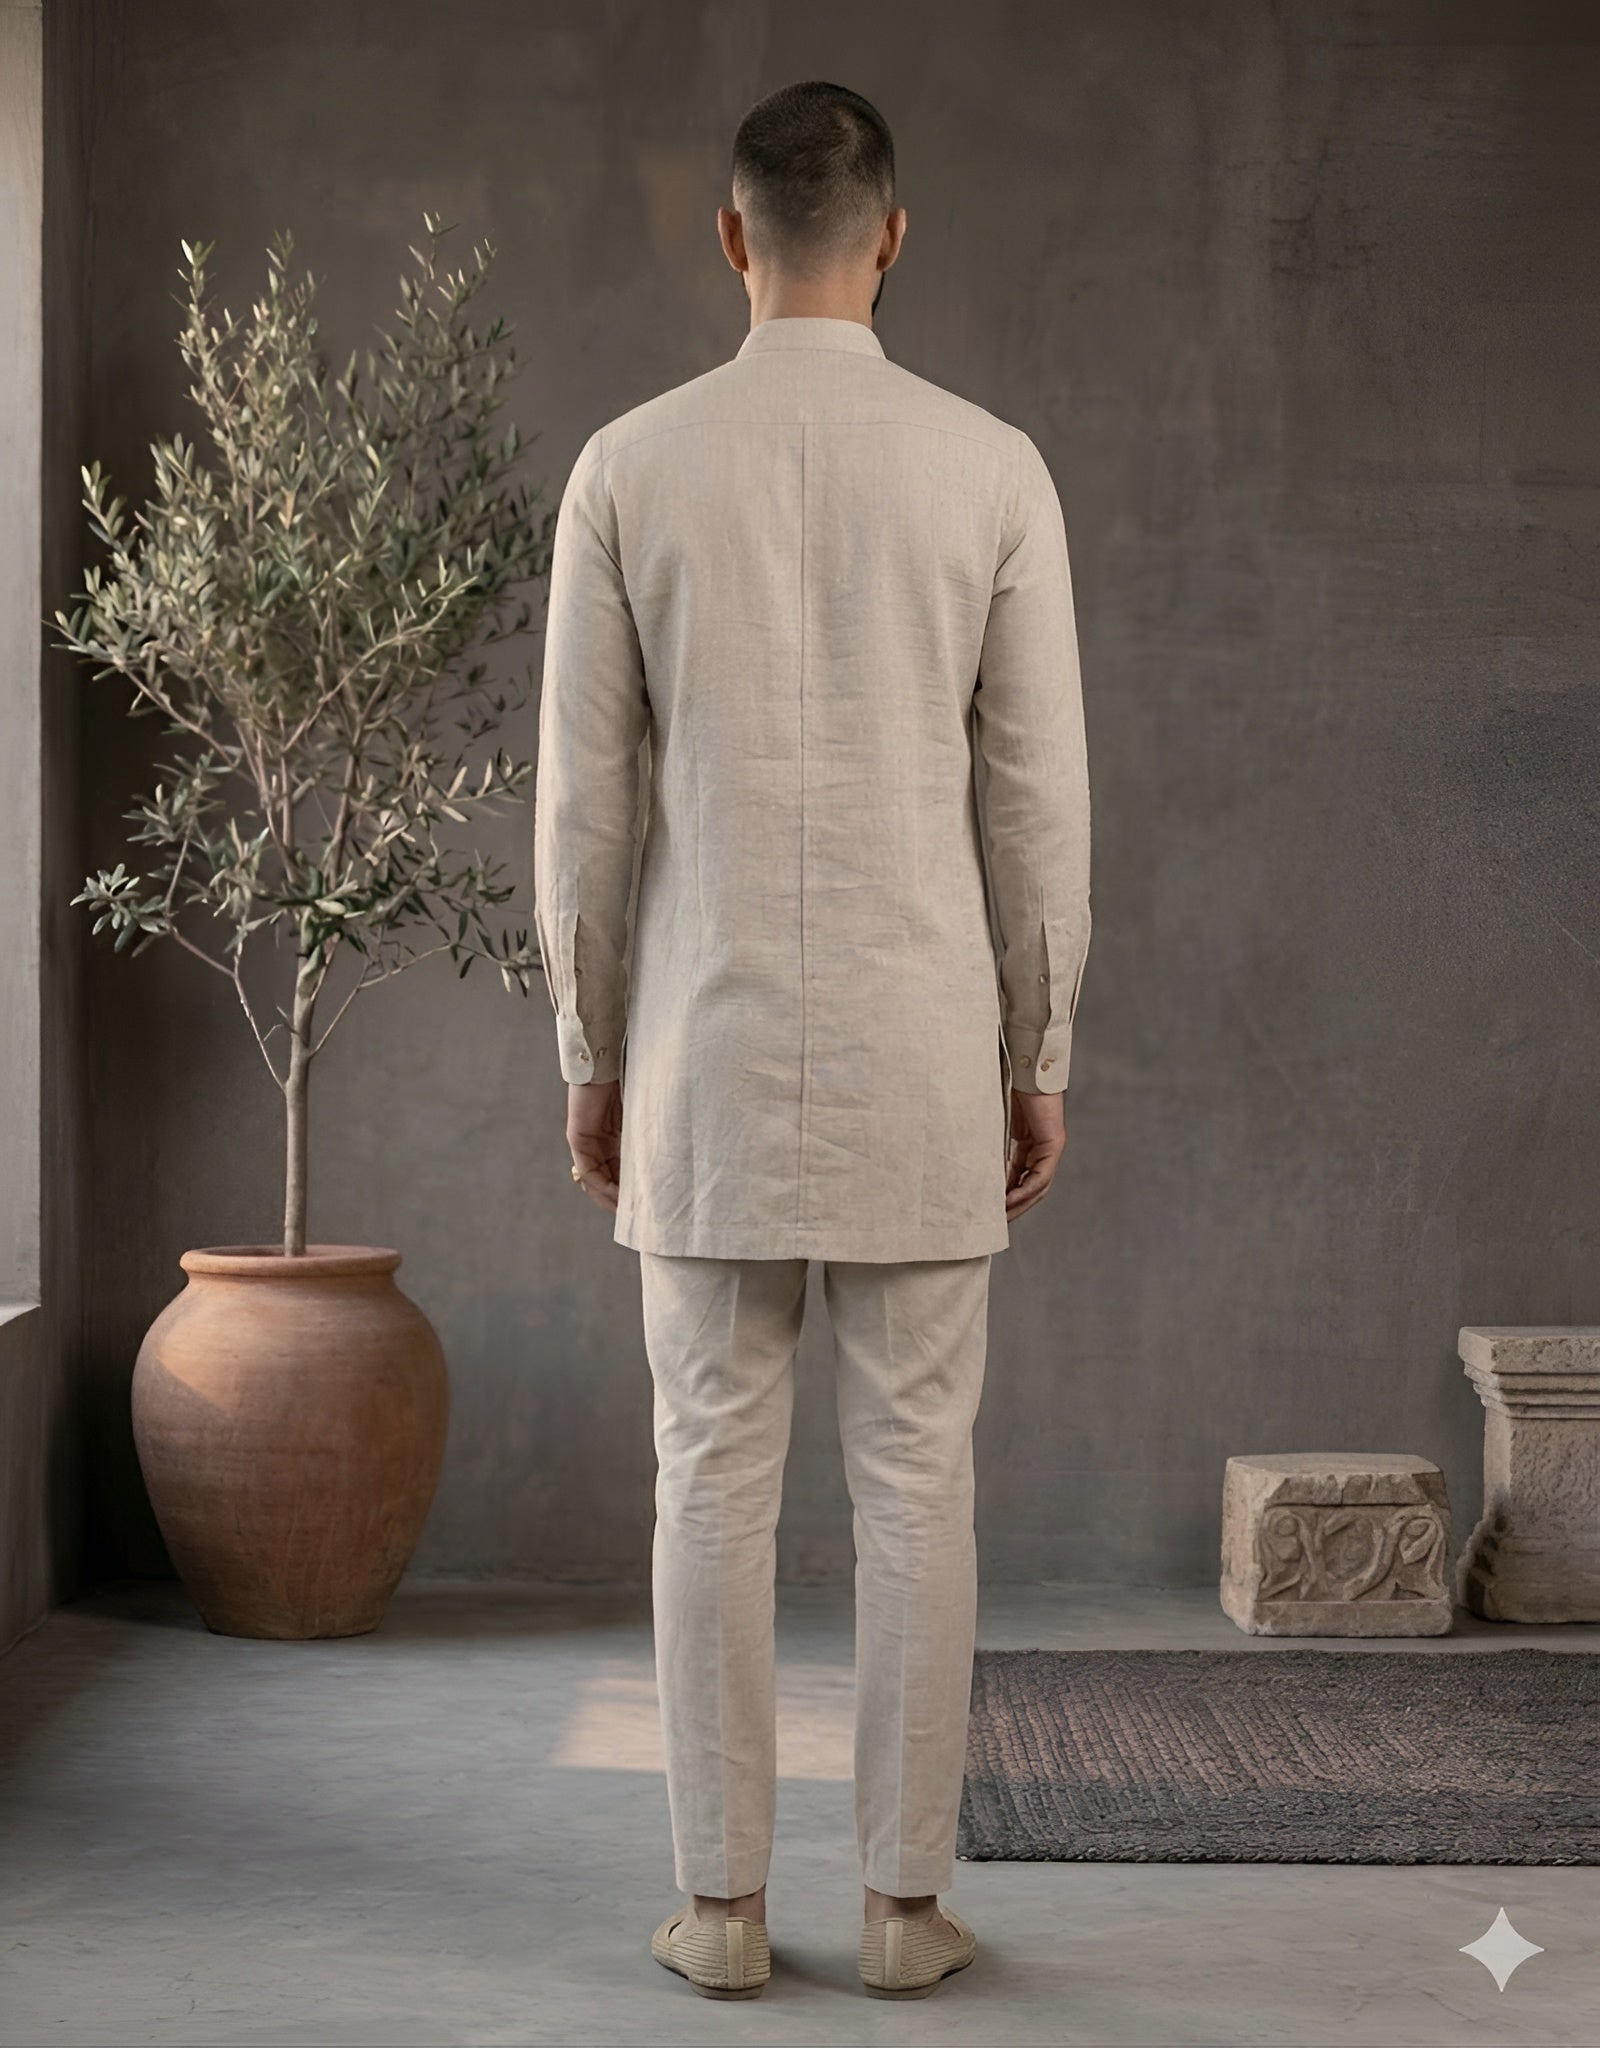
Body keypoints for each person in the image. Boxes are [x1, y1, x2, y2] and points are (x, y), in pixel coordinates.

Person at [533, 78, 1091, 2002]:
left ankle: (720, 1909)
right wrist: (1043, 1046)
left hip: (701, 1045)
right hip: (925, 1046)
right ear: (894, 236)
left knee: (707, 1474)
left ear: (732, 235)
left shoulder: (626, 467)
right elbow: (1036, 799)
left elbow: (584, 808)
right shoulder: (992, 469)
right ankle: (908, 1910)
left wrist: (589, 1046)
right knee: (920, 1481)